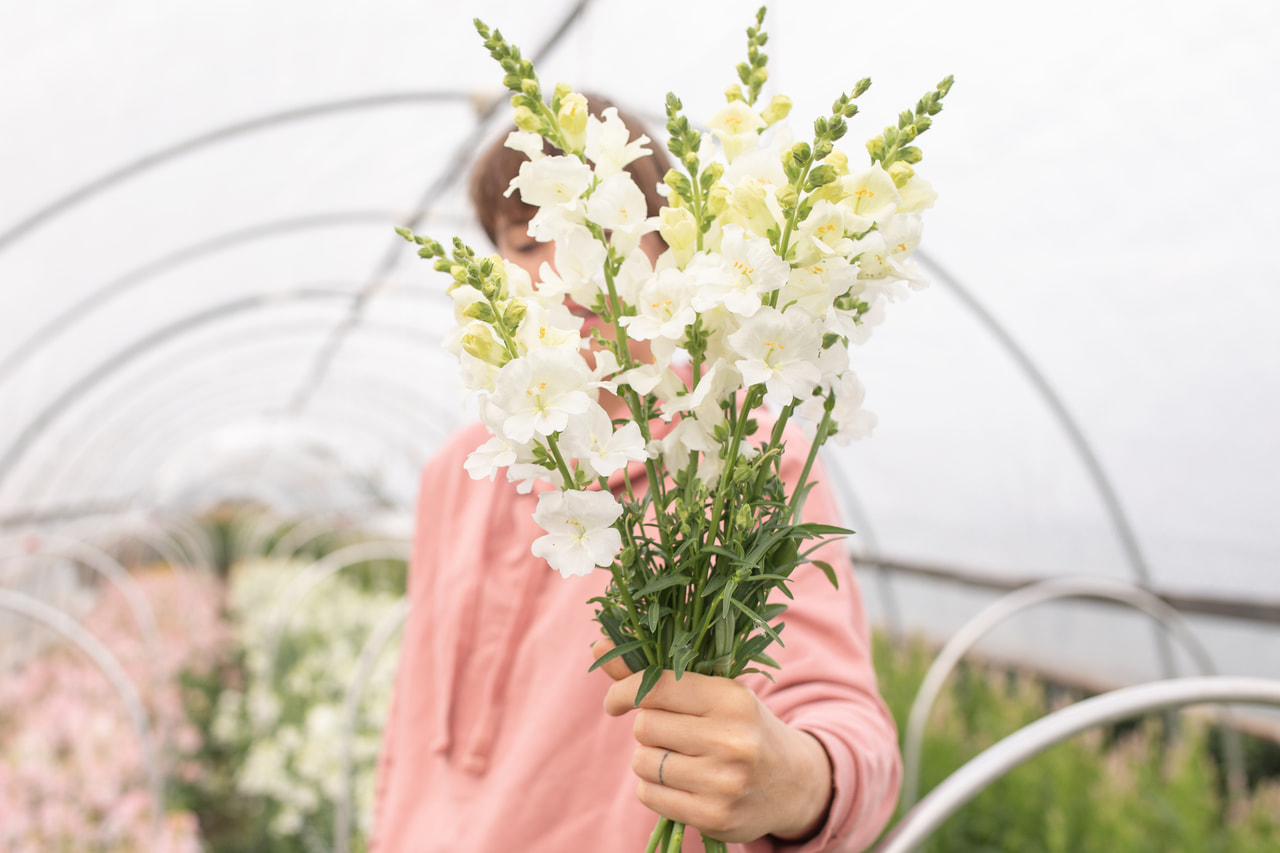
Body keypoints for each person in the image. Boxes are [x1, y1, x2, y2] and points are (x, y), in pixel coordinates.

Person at [370, 95, 902, 852]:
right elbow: (411, 722)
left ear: (666, 249)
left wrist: (795, 781)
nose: (567, 268)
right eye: (527, 241)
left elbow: (850, 731)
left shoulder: (732, 452)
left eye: (606, 227)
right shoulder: (458, 472)